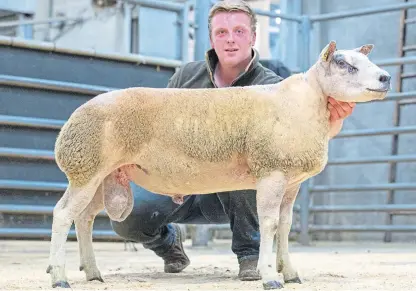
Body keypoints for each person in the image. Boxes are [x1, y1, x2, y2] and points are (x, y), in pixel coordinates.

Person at [110, 0, 355, 281]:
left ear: (252, 37)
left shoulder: (275, 87)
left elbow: (294, 143)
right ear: (211, 38)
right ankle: (168, 245)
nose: (230, 40)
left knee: (253, 161)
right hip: (184, 182)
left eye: (239, 31)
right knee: (128, 215)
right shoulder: (187, 77)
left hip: (238, 193)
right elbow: (159, 129)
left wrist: (333, 122)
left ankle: (250, 253)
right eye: (221, 33)